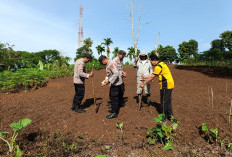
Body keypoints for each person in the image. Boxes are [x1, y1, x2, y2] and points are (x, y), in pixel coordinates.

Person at [140, 55, 174, 121]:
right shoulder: (162, 64)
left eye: (151, 61)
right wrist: (145, 77)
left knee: (163, 101)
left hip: (165, 85)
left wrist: (143, 84)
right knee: (168, 101)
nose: (151, 63)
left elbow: (152, 77)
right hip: (170, 84)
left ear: (155, 60)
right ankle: (170, 116)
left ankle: (163, 118)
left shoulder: (158, 66)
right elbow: (153, 75)